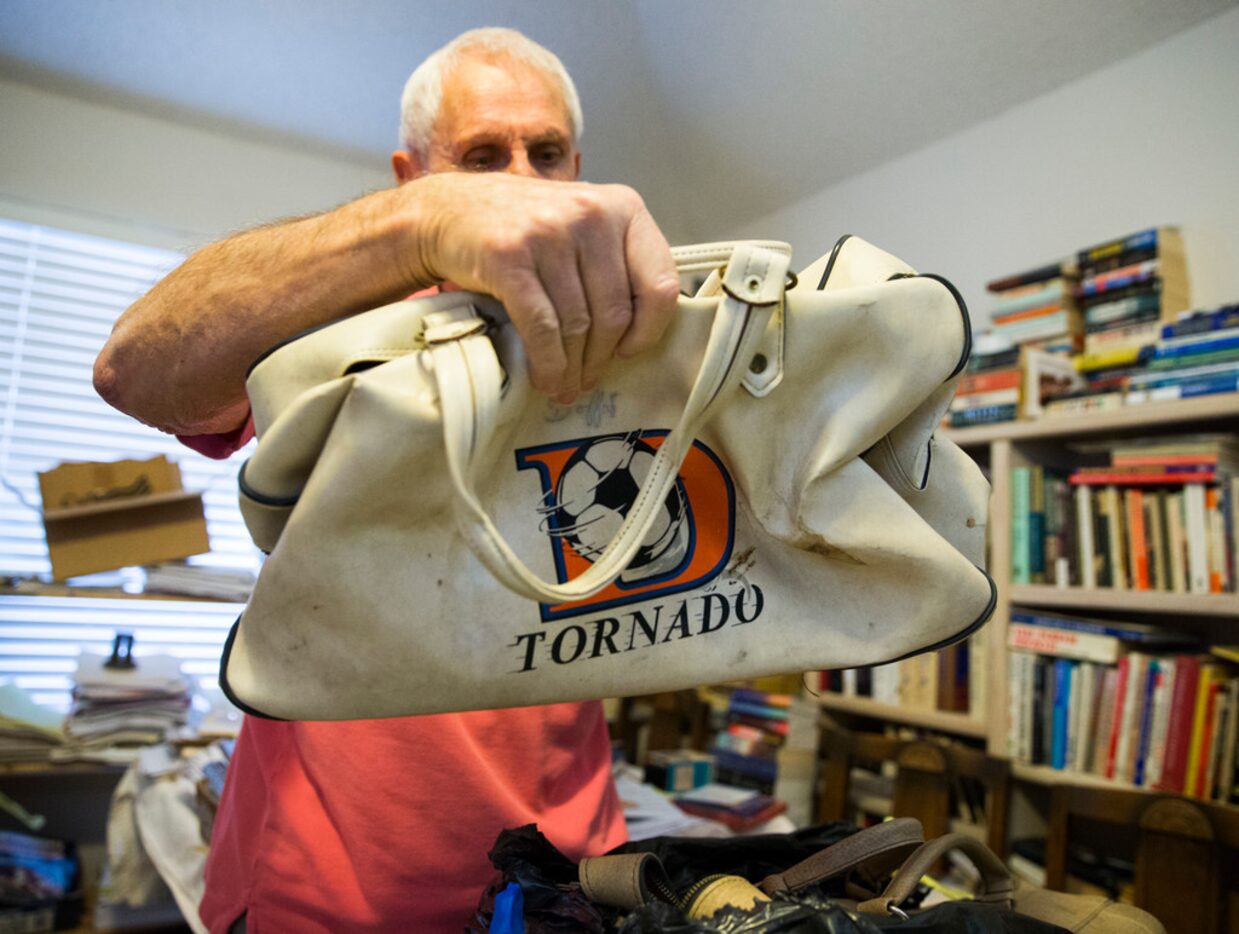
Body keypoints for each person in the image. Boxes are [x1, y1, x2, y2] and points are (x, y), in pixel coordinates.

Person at [94, 28, 681, 932]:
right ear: (415, 174)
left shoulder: (629, 337)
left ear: (577, 166)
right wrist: (420, 229)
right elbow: (132, 372)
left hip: (562, 882)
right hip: (325, 884)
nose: (519, 180)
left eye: (545, 152)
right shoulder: (340, 336)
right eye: (482, 157)